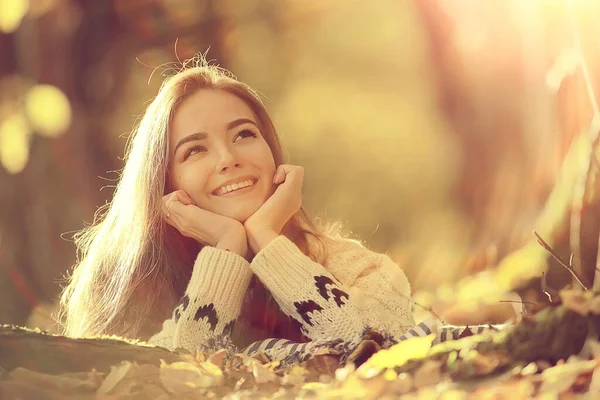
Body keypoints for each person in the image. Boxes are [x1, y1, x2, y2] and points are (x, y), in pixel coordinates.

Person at [58, 57, 422, 364]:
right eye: (195, 151)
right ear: (165, 184)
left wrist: (267, 239)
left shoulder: (351, 265)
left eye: (244, 135)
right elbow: (166, 380)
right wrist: (227, 250)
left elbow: (384, 348)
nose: (228, 159)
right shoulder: (130, 289)